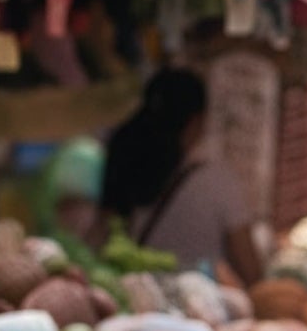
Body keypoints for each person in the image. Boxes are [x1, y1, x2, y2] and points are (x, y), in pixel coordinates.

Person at [100, 67, 263, 286]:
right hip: (204, 306)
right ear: (196, 121)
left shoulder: (124, 167)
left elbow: (106, 244)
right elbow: (251, 271)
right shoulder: (218, 182)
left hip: (139, 299)